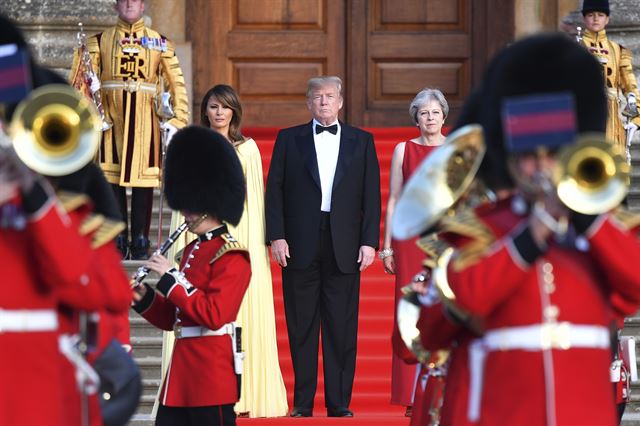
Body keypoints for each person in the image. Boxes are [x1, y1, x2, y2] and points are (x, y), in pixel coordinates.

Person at [430, 33, 640, 426]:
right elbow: (469, 296)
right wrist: (534, 232)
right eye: (528, 157)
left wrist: (588, 218)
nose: (541, 167)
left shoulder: (600, 235)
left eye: (553, 153)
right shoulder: (483, 231)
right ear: (507, 160)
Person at [265, 75, 381, 417]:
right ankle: (302, 403)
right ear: (308, 102)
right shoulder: (289, 139)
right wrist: (277, 235)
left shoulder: (362, 141)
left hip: (344, 242)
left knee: (341, 326)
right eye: (318, 97)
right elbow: (275, 191)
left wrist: (369, 242)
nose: (324, 102)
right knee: (301, 325)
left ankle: (338, 402)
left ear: (341, 102)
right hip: (299, 240)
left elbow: (371, 197)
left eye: (330, 96)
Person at [132, 125, 250, 426]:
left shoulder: (232, 256)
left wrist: (171, 278)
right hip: (182, 374)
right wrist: (143, 298)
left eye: (188, 207)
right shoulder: (189, 252)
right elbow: (173, 318)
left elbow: (214, 315)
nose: (183, 213)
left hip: (212, 375)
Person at [69, 0, 190, 260]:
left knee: (143, 181)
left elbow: (176, 82)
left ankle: (140, 239)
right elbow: (80, 84)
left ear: (143, 6)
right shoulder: (98, 41)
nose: (129, 3)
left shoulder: (159, 42)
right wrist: (88, 115)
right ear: (116, 6)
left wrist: (177, 120)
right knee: (111, 179)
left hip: (145, 120)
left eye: (134, 0)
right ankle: (118, 237)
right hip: (110, 120)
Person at [201, 84, 288, 418]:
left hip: (242, 234)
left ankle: (246, 395)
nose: (220, 113)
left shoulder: (248, 148)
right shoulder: (196, 145)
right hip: (206, 233)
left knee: (244, 313)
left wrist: (254, 245)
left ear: (234, 111)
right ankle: (212, 393)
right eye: (213, 106)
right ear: (205, 111)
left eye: (225, 107)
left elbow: (255, 199)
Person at [381, 88, 448, 415]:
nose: (430, 118)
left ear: (443, 116)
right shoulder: (401, 150)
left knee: (445, 303)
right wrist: (387, 246)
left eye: (435, 112)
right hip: (410, 238)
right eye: (423, 113)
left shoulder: (455, 148)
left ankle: (444, 384)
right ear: (416, 118)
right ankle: (411, 393)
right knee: (411, 308)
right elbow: (394, 198)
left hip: (446, 235)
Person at [579, 0, 640, 156]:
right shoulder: (575, 47)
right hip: (585, 115)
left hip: (613, 121)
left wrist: (636, 118)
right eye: (591, 15)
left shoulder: (618, 50)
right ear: (584, 18)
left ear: (607, 19)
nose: (595, 19)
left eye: (600, 15)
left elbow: (630, 86)